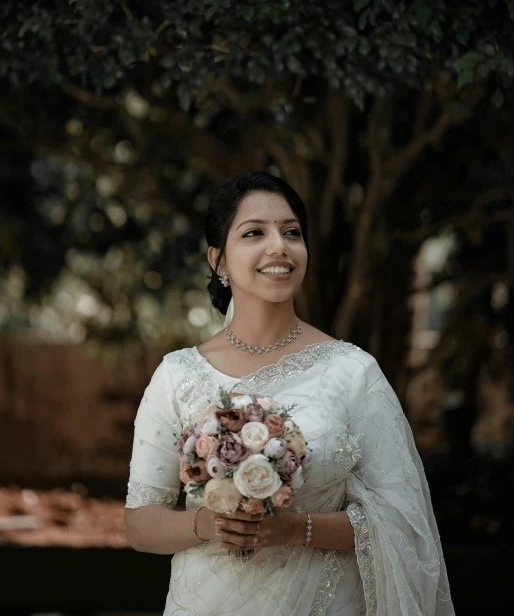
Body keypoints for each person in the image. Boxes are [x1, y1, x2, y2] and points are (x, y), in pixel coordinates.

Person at [124, 171, 454, 616]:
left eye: (292, 232)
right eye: (254, 232)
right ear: (218, 260)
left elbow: (404, 525)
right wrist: (211, 524)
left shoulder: (353, 373)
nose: (279, 246)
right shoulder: (176, 375)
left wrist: (298, 528)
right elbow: (141, 524)